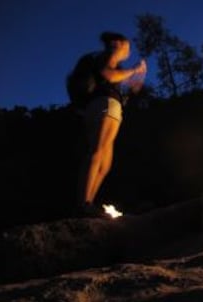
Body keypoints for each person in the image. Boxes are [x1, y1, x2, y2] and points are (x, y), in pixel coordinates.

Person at [77, 31, 147, 216]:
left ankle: (88, 203)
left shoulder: (105, 61)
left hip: (100, 107)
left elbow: (129, 88)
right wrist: (133, 70)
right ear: (118, 43)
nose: (128, 50)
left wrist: (137, 76)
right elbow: (109, 75)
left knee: (105, 163)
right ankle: (84, 203)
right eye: (127, 46)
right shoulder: (108, 57)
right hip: (105, 106)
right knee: (98, 153)